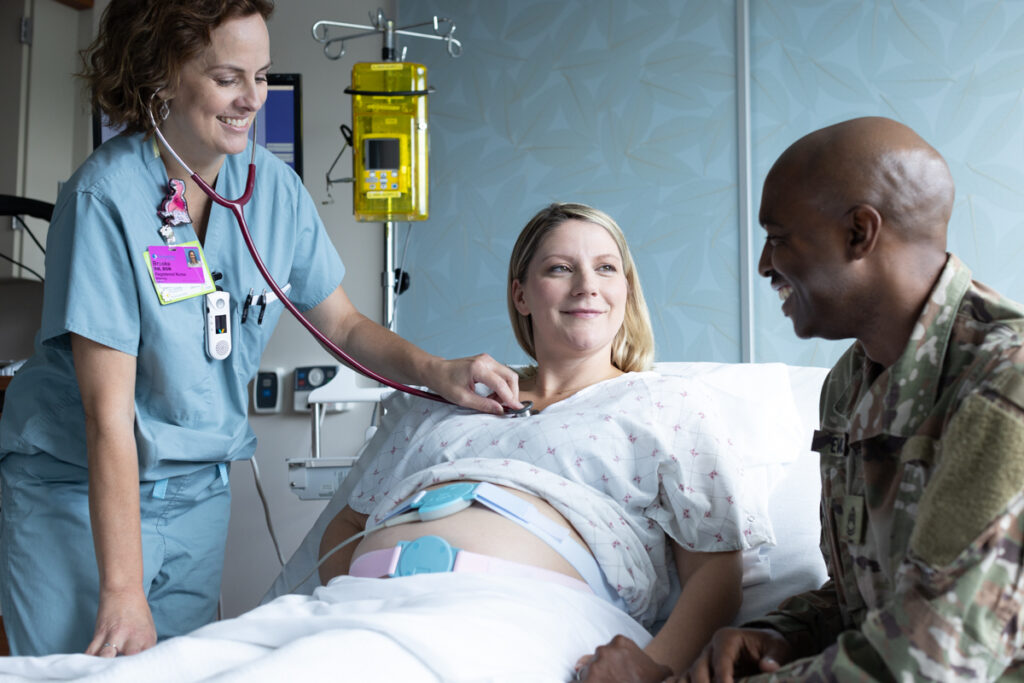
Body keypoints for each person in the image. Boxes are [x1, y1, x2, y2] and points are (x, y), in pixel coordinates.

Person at [0, 0, 520, 658]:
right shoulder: (105, 200)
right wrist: (123, 588)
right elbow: (108, 418)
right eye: (227, 78)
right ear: (161, 75)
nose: (253, 99)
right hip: (76, 490)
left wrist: (437, 370)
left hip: (196, 494)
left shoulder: (271, 189)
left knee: (171, 672)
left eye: (263, 76)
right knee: (70, 671)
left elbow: (346, 323)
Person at [578, 116, 1024, 682]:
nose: (766, 264)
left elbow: (928, 663)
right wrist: (781, 632)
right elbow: (859, 596)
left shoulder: (1004, 385)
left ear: (860, 233)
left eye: (779, 237)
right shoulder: (847, 387)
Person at [317, 202, 773, 678]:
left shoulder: (666, 403)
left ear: (626, 290)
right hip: (361, 612)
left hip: (528, 622)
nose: (587, 286)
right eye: (560, 268)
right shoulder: (451, 397)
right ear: (521, 295)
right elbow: (348, 524)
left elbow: (715, 571)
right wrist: (354, 600)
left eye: (605, 268)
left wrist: (653, 669)